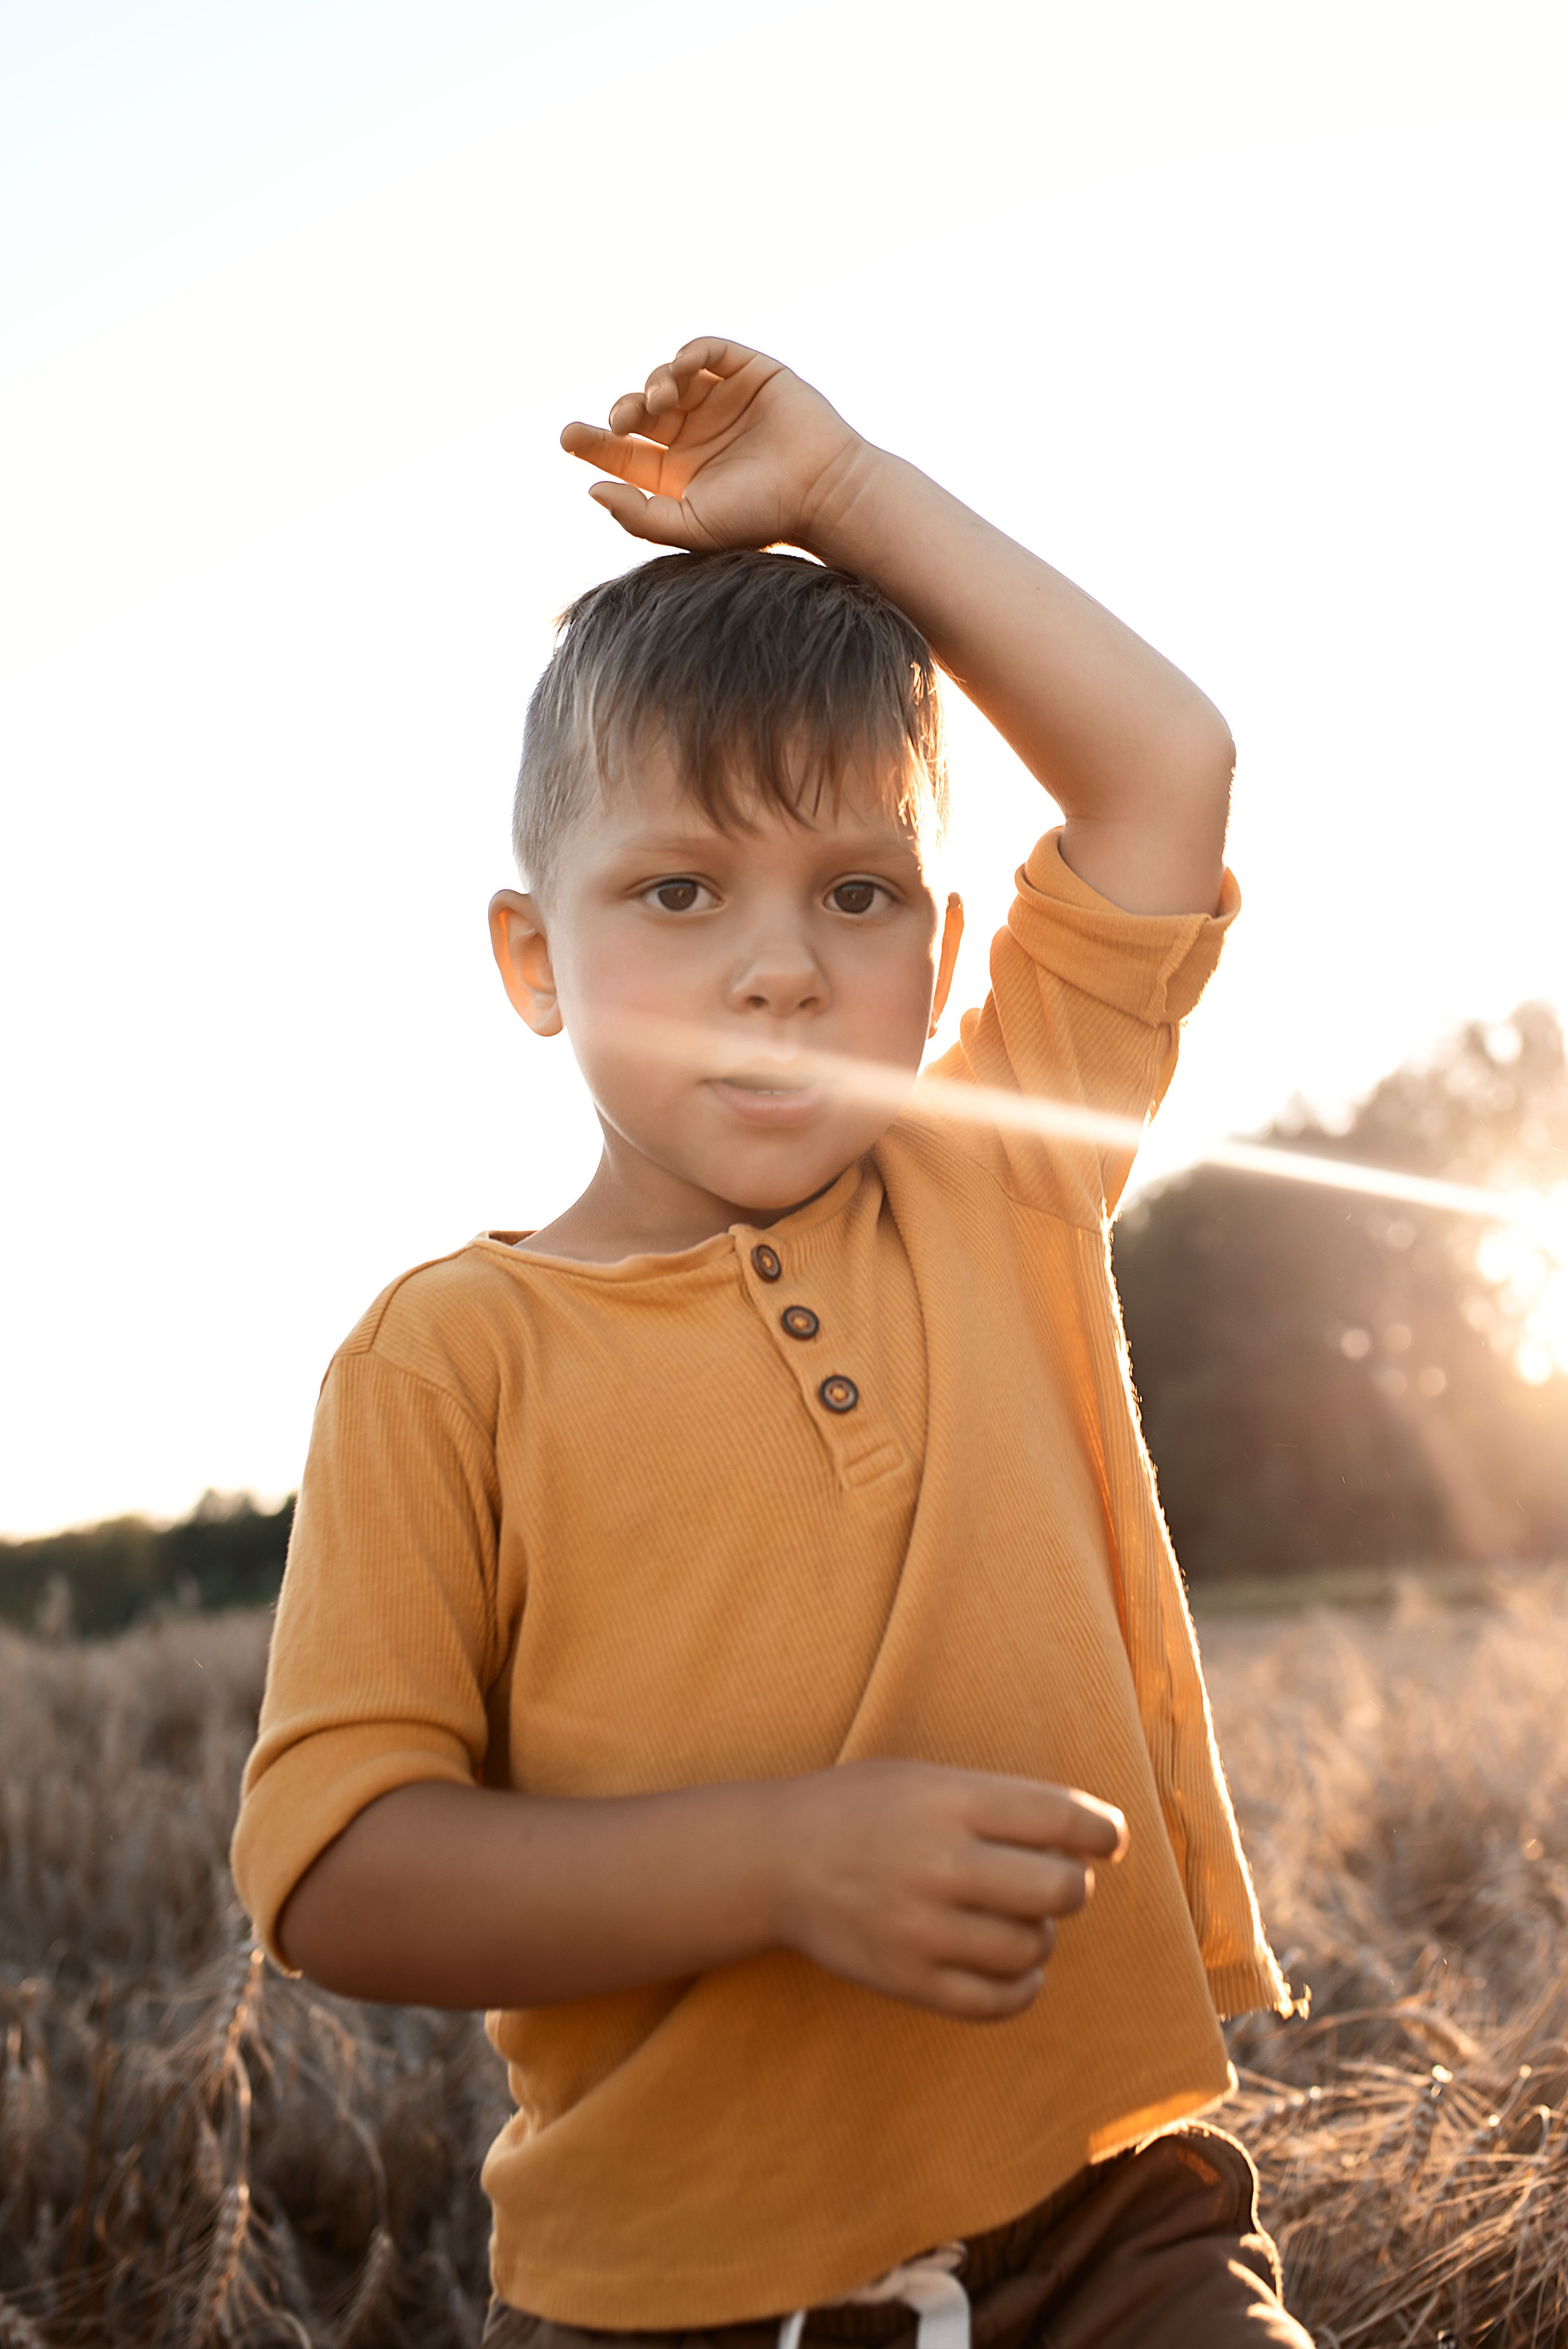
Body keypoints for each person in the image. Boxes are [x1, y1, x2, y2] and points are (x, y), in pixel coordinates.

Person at [231, 338, 1313, 2349]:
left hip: (1112, 2224)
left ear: (943, 945)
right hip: (672, 2294)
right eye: (679, 889)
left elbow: (1167, 765)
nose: (782, 970)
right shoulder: (447, 1358)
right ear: (534, 960)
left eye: (860, 892)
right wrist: (782, 1864)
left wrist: (846, 492)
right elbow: (338, 1870)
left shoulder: (996, 1177)